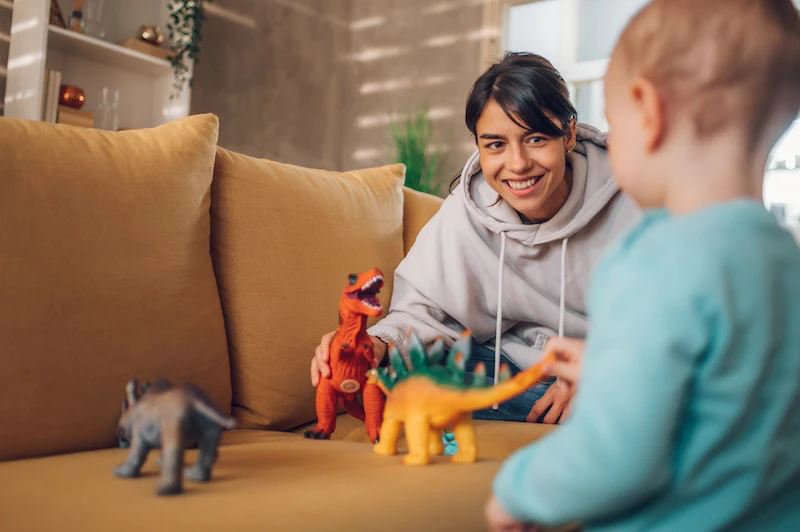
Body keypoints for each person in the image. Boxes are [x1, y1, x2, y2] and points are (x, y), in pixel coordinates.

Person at [487, 0, 800, 529]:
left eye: (612, 123)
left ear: (647, 112)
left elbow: (616, 457)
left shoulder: (654, 259)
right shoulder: (783, 259)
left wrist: (519, 491)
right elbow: (736, 387)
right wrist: (610, 367)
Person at [311, 52, 639, 424]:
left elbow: (680, 321)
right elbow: (424, 311)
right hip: (513, 371)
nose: (517, 164)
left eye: (535, 138)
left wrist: (602, 373)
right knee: (399, 373)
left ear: (569, 134)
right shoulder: (469, 211)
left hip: (611, 372)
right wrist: (373, 346)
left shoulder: (638, 197)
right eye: (495, 144)